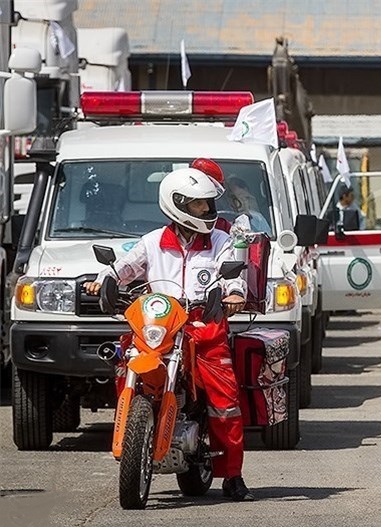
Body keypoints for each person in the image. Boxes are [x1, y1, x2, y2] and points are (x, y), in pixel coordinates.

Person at [84, 167, 255, 501]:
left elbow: (234, 274)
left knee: (225, 402)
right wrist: (104, 278)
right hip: (159, 327)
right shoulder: (152, 243)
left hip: (205, 329)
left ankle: (232, 475)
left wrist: (234, 293)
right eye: (199, 205)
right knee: (126, 362)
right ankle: (134, 429)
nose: (207, 210)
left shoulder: (219, 241)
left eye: (207, 204)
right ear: (178, 205)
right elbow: (124, 267)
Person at [191, 157, 232, 233]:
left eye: (209, 200)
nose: (206, 208)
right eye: (198, 203)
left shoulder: (222, 226)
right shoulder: (174, 229)